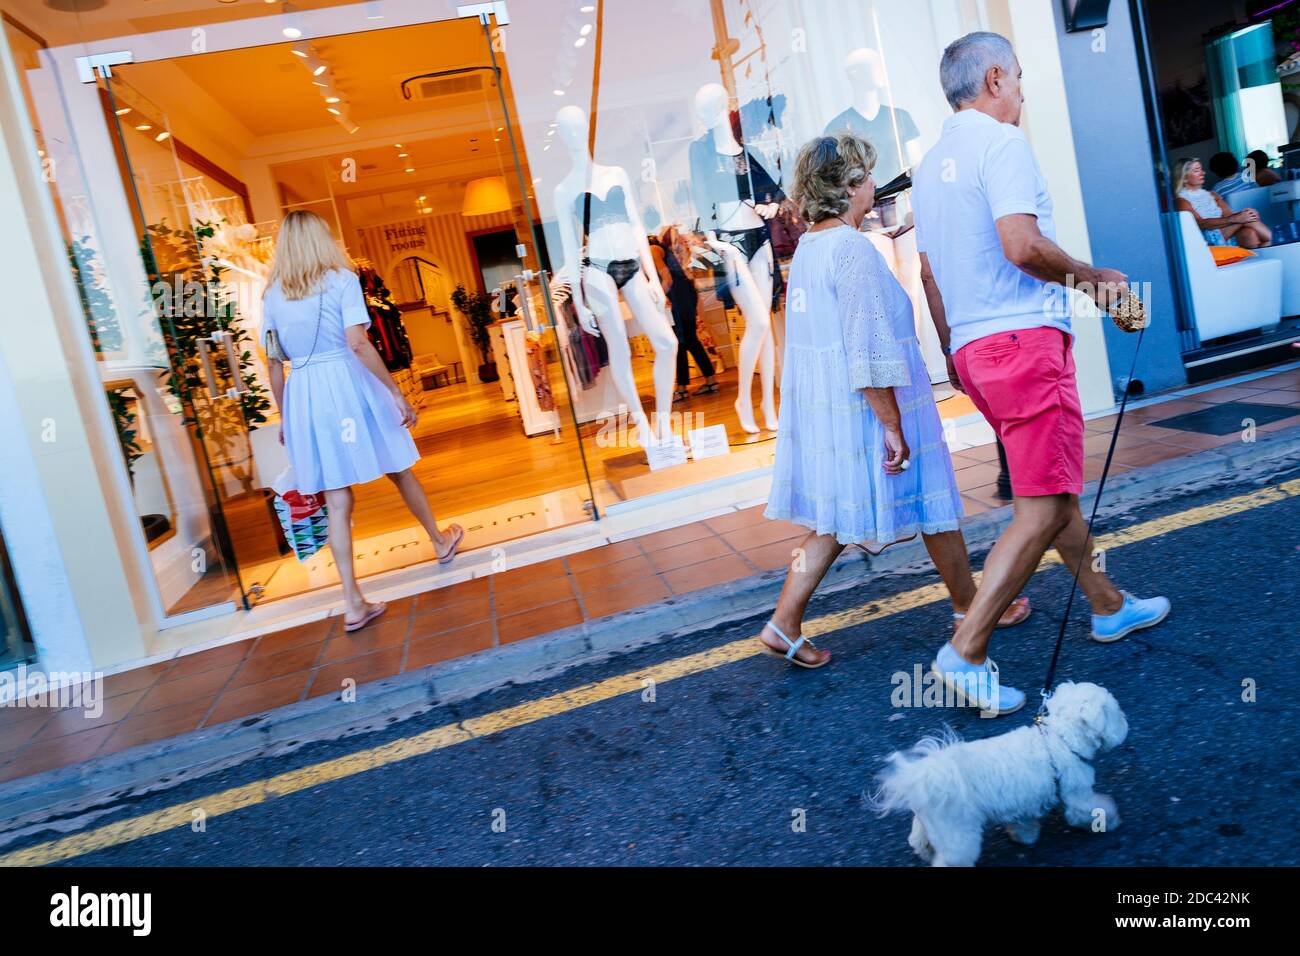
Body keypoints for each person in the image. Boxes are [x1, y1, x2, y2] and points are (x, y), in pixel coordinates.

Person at [912, 32, 1171, 714]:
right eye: (1019, 78)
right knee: (1044, 501)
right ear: (995, 78)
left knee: (1050, 489)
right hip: (1022, 343)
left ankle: (1108, 604)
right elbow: (1021, 244)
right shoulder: (1002, 145)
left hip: (976, 350)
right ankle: (966, 649)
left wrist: (954, 353)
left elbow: (930, 274)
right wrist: (1094, 280)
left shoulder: (930, 163)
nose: (1023, 92)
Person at [759, 133, 1031, 669]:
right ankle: (967, 607)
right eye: (864, 178)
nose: (872, 188)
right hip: (876, 405)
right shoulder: (851, 250)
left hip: (843, 406)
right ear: (846, 186)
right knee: (923, 496)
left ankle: (785, 623)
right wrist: (891, 424)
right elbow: (865, 345)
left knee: (852, 515)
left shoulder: (813, 246)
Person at [263, 210, 464, 632]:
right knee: (399, 468)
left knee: (338, 500)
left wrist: (286, 416)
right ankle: (440, 542)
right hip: (349, 385)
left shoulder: (272, 295)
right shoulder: (341, 279)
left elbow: (275, 364)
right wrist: (394, 391)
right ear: (322, 240)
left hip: (306, 394)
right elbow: (357, 342)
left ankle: (352, 602)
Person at [650, 226, 718, 403]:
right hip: (685, 293)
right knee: (689, 339)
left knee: (680, 341)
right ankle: (711, 380)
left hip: (677, 296)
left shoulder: (653, 250)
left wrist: (658, 299)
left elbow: (667, 279)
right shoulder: (662, 249)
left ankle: (681, 389)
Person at [1173, 157, 1272, 248]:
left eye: (1201, 169)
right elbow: (1200, 223)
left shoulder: (1213, 194)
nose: (1203, 173)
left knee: (1249, 233)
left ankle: (1266, 250)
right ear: (1184, 177)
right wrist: (1239, 218)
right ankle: (1274, 241)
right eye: (1196, 170)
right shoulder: (1181, 201)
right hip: (1207, 239)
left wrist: (1244, 214)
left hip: (1224, 232)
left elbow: (1229, 215)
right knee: (1248, 220)